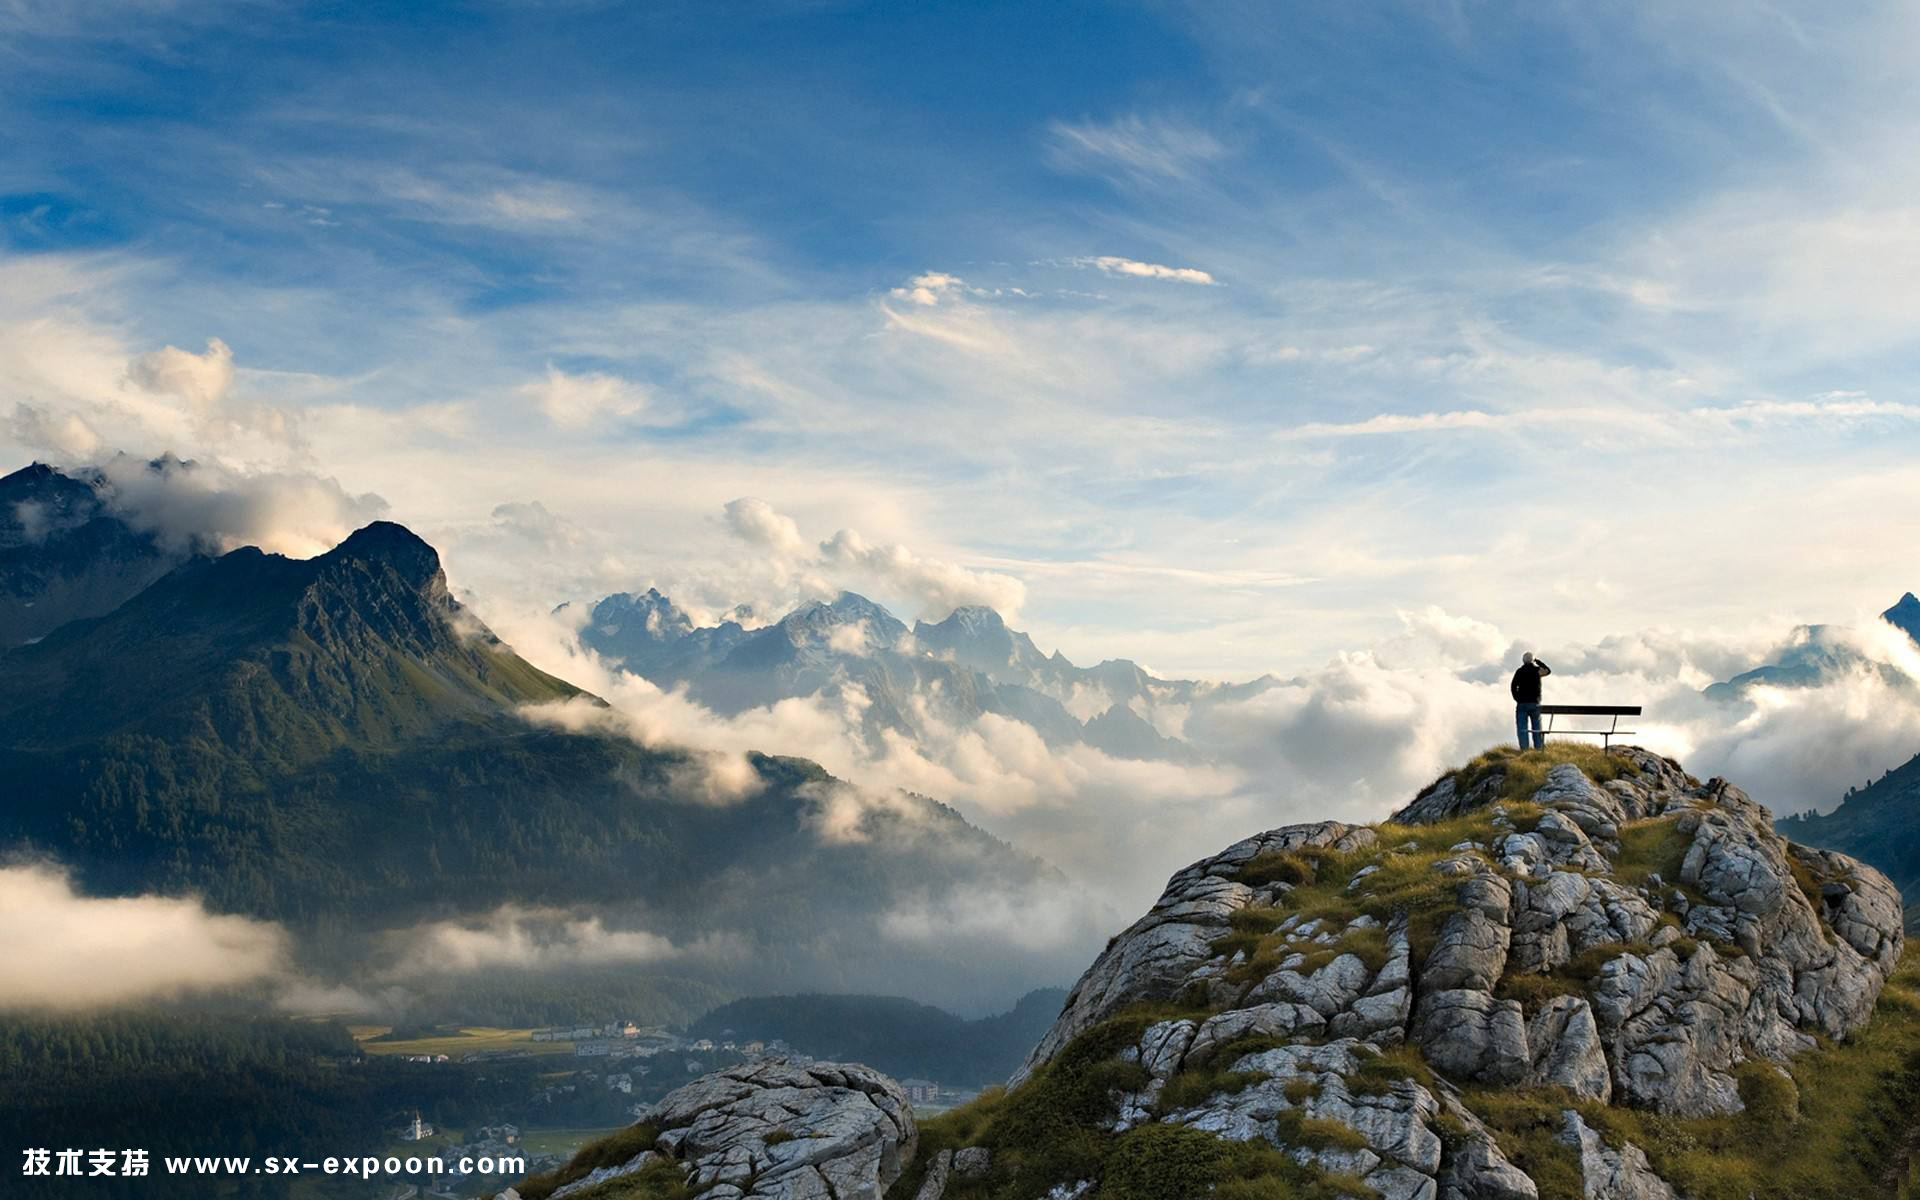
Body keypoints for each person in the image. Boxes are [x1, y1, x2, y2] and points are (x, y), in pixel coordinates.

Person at [1510, 651, 1552, 749]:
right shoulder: (1537, 671)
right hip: (1535, 703)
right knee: (1537, 727)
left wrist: (1517, 698)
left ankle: (1524, 749)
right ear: (1532, 660)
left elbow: (1513, 686)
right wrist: (1538, 661)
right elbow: (1548, 671)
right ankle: (1538, 747)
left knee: (1522, 728)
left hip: (1522, 703)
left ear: (1523, 661)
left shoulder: (1519, 671)